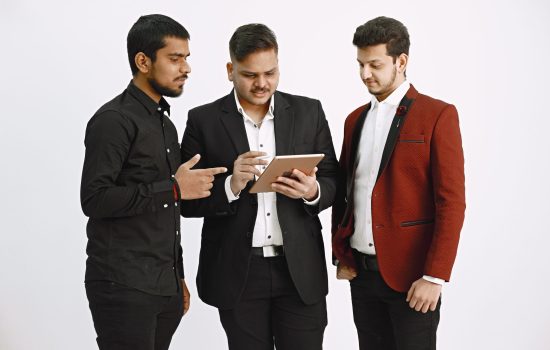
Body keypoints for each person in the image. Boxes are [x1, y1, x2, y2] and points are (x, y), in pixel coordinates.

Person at [180, 23, 338, 350]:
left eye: (271, 72)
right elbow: (185, 201)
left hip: (299, 269)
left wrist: (313, 192)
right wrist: (230, 186)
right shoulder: (203, 121)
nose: (262, 83)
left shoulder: (310, 112)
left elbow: (334, 180)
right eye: (251, 75)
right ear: (230, 70)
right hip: (238, 271)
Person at [80, 14, 227, 350]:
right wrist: (174, 188)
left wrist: (177, 277)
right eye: (175, 59)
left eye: (186, 58)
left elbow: (165, 212)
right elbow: (95, 199)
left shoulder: (166, 126)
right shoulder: (113, 120)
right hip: (123, 284)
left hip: (164, 287)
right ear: (143, 61)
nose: (186, 68)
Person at [331, 16, 466, 350]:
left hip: (413, 280)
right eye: (360, 64)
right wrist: (341, 253)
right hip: (362, 276)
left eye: (375, 64)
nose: (365, 74)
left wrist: (434, 276)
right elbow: (348, 192)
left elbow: (451, 202)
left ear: (401, 61)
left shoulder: (438, 114)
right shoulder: (354, 120)